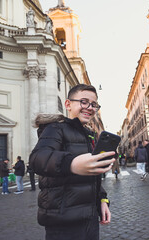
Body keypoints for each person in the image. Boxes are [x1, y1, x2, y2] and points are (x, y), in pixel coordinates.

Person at [29, 84, 114, 240]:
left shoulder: (90, 135)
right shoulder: (55, 128)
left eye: (94, 104)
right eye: (83, 101)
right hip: (63, 222)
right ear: (68, 104)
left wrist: (103, 199)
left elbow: (93, 178)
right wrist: (72, 164)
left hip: (90, 219)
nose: (90, 107)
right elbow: (37, 159)